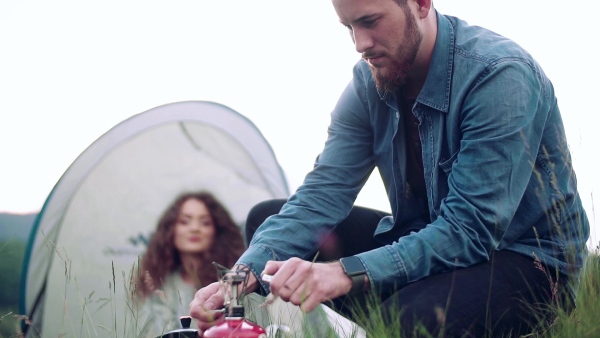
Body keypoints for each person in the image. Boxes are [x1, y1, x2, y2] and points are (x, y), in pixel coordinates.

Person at [190, 0, 590, 336]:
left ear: (420, 3)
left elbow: (471, 230)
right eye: (348, 26)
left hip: (526, 262)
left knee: (406, 321)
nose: (360, 44)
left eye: (370, 21)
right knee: (267, 222)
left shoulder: (499, 75)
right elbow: (320, 195)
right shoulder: (369, 83)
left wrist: (344, 273)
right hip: (432, 238)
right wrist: (237, 281)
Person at [134, 191, 245, 337]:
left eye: (204, 222)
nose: (194, 228)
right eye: (184, 221)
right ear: (171, 230)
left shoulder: (234, 284)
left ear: (216, 231)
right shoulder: (157, 285)